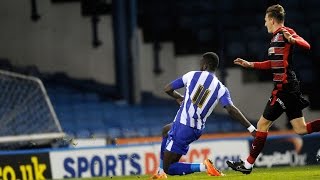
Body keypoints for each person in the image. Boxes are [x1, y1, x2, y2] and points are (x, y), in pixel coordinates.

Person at [226, 4, 320, 174]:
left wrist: (293, 40)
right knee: (301, 129)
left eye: (265, 20)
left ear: (272, 19)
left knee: (262, 124)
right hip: (287, 88)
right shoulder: (275, 38)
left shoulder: (286, 32)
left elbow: (306, 45)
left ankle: (247, 165)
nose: (264, 24)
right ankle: (247, 165)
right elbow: (273, 63)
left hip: (285, 88)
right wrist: (251, 64)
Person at [150, 52, 257, 179]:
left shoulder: (192, 75)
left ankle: (204, 166)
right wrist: (251, 128)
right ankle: (160, 172)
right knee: (166, 130)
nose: (199, 65)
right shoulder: (220, 87)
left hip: (183, 127)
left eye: (201, 62)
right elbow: (230, 109)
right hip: (196, 129)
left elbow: (167, 89)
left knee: (170, 168)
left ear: (205, 65)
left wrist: (179, 97)